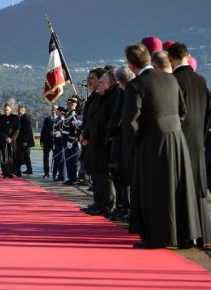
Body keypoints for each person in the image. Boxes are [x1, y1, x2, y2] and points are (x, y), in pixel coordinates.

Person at [121, 43, 200, 249]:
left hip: (152, 142)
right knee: (179, 189)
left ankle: (156, 237)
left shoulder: (135, 85)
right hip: (177, 139)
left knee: (154, 191)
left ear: (131, 65)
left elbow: (129, 122)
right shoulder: (170, 78)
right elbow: (182, 111)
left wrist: (140, 142)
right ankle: (185, 236)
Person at [168, 42, 211, 246]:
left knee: (181, 190)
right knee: (197, 189)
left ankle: (185, 235)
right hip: (197, 140)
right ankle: (203, 234)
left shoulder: (173, 80)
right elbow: (208, 115)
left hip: (180, 141)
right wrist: (201, 137)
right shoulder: (201, 80)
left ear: (170, 59)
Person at [82, 69, 117, 217]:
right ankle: (99, 203)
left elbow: (107, 120)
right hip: (92, 140)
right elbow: (91, 119)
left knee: (104, 175)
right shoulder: (97, 96)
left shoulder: (112, 96)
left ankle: (108, 205)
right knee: (96, 173)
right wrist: (84, 134)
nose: (89, 82)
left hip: (103, 142)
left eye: (94, 79)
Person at [109, 64, 136, 222]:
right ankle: (123, 206)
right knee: (120, 175)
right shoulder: (124, 92)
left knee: (126, 176)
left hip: (125, 139)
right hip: (121, 139)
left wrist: (109, 131)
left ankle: (127, 207)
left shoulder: (127, 93)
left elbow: (118, 115)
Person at [0, 103, 20, 178]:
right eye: (5, 110)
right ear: (3, 110)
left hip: (12, 140)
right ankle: (5, 173)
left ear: (10, 109)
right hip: (3, 140)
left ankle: (11, 172)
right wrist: (5, 138)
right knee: (3, 157)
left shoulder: (15, 117)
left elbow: (17, 129)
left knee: (11, 156)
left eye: (8, 110)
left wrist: (11, 138)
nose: (6, 112)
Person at [17, 104, 35, 175]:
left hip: (25, 141)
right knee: (26, 156)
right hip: (23, 140)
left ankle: (18, 169)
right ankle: (29, 169)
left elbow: (27, 130)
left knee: (21, 155)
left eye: (19, 109)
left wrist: (25, 141)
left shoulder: (25, 117)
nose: (17, 111)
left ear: (23, 110)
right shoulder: (22, 117)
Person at [40, 106, 56, 178]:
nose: (53, 111)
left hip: (55, 141)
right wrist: (41, 141)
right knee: (45, 157)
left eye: (55, 110)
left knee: (55, 157)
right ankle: (46, 173)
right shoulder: (47, 119)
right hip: (47, 141)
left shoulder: (60, 119)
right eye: (52, 110)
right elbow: (43, 130)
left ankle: (55, 173)